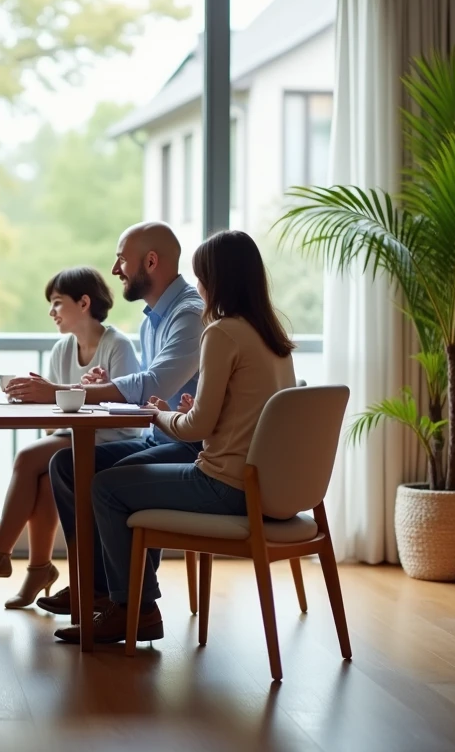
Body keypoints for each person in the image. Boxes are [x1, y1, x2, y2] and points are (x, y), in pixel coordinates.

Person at [57, 229, 297, 644]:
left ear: (217, 279)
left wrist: (160, 415)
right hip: (265, 484)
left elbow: (198, 429)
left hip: (224, 482)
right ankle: (115, 596)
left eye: (201, 274)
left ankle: (137, 609)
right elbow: (241, 413)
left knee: (108, 488)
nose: (198, 285)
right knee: (83, 469)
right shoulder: (274, 336)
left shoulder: (221, 332)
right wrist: (185, 412)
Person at [5, 222, 204, 616]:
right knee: (67, 463)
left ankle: (130, 601)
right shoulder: (153, 319)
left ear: (151, 261)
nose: (116, 270)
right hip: (161, 438)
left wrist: (65, 393)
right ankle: (95, 586)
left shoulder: (189, 314)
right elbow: (152, 394)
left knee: (107, 482)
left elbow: (156, 381)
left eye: (121, 259)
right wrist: (107, 385)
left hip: (189, 445)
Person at [0, 267, 142, 608]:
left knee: (27, 458)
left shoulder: (117, 346)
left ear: (84, 302)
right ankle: (38, 569)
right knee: (41, 474)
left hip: (115, 442)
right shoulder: (62, 349)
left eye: (57, 303)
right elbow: (56, 416)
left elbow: (125, 408)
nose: (51, 312)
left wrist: (73, 393)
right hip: (76, 438)